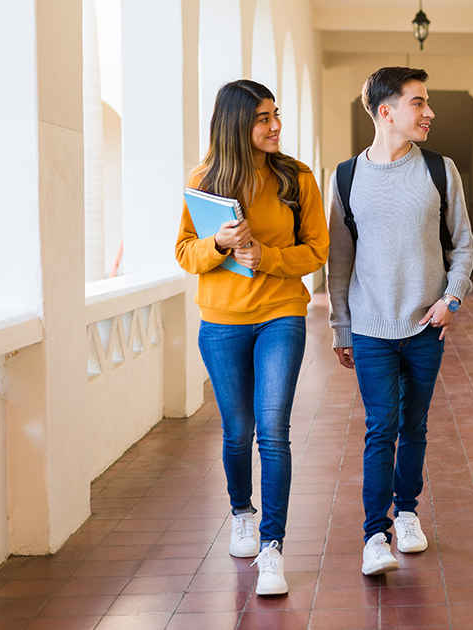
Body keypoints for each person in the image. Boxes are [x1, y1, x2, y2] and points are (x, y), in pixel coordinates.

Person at [175, 79, 329, 595]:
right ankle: (242, 511)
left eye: (275, 115)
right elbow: (183, 252)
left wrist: (270, 259)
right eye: (263, 118)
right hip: (220, 322)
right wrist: (217, 243)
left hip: (281, 314)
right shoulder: (204, 180)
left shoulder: (296, 177)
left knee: (273, 429)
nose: (275, 126)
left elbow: (317, 250)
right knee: (237, 431)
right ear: (236, 123)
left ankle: (272, 547)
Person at [327, 67, 473, 576]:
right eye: (419, 103)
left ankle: (408, 512)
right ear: (385, 111)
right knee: (380, 426)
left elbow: (463, 244)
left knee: (414, 424)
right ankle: (375, 534)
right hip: (370, 328)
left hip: (426, 326)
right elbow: (340, 262)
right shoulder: (345, 177)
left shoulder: (440, 170)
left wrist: (451, 299)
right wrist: (340, 328)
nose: (429, 111)